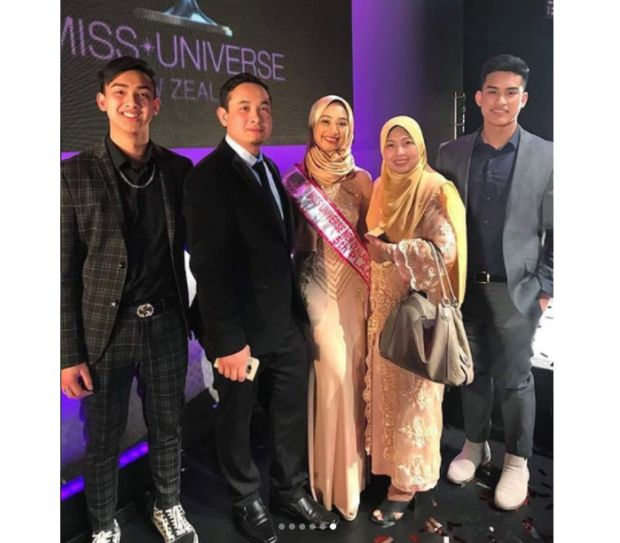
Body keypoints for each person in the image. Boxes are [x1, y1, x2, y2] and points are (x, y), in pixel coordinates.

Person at [184, 73, 339, 543]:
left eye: (264, 107)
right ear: (223, 115)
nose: (256, 116)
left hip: (283, 325)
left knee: (289, 413)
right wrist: (228, 342)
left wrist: (296, 320)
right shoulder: (208, 177)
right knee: (236, 419)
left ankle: (289, 489)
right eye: (245, 108)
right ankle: (245, 497)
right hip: (239, 336)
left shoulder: (271, 169)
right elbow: (208, 268)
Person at [61, 56, 198, 543]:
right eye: (120, 92)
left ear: (156, 105)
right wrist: (68, 355)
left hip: (165, 324)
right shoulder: (74, 175)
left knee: (168, 427)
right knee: (103, 438)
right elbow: (62, 273)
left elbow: (201, 248)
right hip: (105, 332)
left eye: (142, 94)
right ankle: (103, 523)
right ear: (102, 102)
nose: (131, 102)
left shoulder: (178, 170)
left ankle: (168, 504)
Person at [435, 54, 553, 510]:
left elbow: (560, 229)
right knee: (472, 372)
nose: (501, 101)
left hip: (516, 289)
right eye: (493, 91)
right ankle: (474, 444)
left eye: (511, 92)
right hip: (464, 288)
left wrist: (544, 288)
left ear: (524, 99)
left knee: (515, 378)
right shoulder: (451, 153)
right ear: (479, 98)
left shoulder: (547, 155)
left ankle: (517, 460)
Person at [364, 116, 467, 527]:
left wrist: (392, 252)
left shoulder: (433, 189)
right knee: (389, 394)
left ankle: (406, 484)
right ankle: (389, 468)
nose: (399, 152)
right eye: (391, 145)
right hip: (382, 308)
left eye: (407, 143)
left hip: (415, 311)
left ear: (421, 146)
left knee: (413, 397)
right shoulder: (380, 186)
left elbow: (445, 251)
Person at [286, 96, 372, 520]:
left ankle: (357, 477)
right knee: (332, 372)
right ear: (313, 126)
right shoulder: (295, 179)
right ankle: (329, 480)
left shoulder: (363, 180)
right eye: (326, 122)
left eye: (342, 123)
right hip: (316, 285)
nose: (334, 131)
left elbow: (372, 238)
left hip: (357, 288)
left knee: (356, 373)